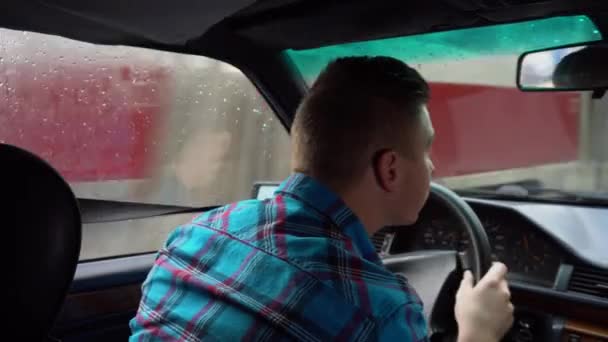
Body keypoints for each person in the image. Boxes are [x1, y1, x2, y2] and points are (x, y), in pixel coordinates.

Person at [130, 56, 514, 341]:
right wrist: (478, 332)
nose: (431, 167)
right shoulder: (381, 312)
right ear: (391, 169)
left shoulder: (197, 234)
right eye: (426, 150)